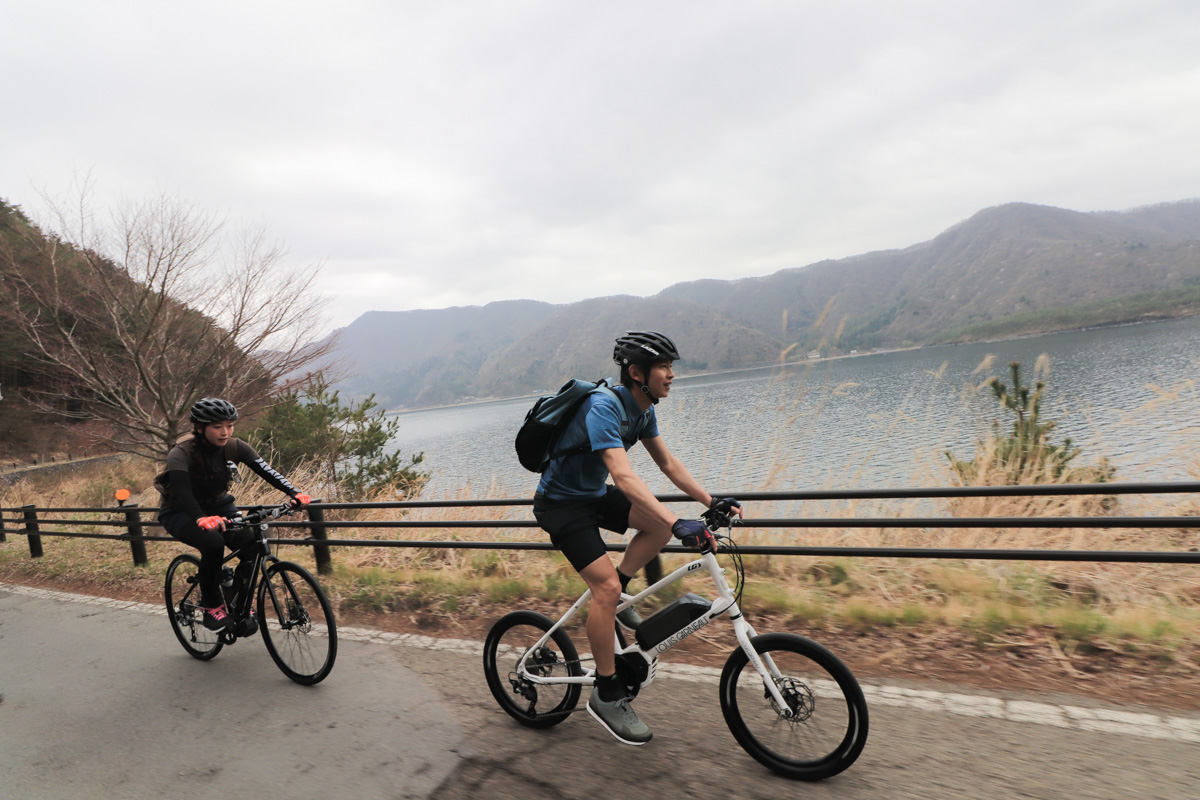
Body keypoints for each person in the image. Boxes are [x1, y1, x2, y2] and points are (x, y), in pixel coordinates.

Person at [532, 331, 742, 746]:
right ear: (636, 372)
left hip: (592, 496)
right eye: (664, 366)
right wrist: (679, 520)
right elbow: (624, 474)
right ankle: (606, 693)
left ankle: (620, 594)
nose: (671, 375)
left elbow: (668, 463)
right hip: (561, 505)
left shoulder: (643, 411)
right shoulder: (603, 406)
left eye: (672, 367)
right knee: (604, 586)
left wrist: (709, 499)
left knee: (659, 528)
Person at [157, 397, 311, 632]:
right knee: (213, 543)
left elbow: (267, 470)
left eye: (229, 425)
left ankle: (236, 595)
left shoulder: (235, 447)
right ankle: (211, 606)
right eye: (217, 426)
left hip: (220, 507)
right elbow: (182, 492)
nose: (225, 432)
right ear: (200, 428)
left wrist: (294, 492)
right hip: (180, 511)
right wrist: (200, 518)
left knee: (251, 545)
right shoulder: (181, 453)